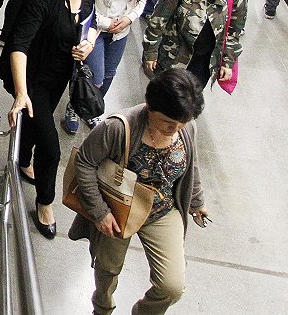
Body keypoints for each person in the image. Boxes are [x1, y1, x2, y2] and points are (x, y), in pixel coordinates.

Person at [68, 68, 210, 315]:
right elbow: (84, 162)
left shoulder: (186, 127)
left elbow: (192, 163)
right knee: (107, 268)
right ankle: (102, 308)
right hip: (117, 208)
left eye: (181, 123)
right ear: (149, 105)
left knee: (172, 286)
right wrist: (100, 212)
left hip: (163, 209)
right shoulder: (117, 127)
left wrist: (196, 201)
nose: (175, 129)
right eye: (168, 122)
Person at [0, 0, 98, 232]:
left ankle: (23, 158)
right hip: (33, 80)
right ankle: (45, 202)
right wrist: (21, 93)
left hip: (59, 77)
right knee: (51, 148)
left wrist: (89, 43)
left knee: (34, 126)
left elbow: (91, 24)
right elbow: (20, 45)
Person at [143, 0, 247, 88]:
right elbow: (157, 22)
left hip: (202, 64)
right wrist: (151, 53)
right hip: (172, 60)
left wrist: (227, 63)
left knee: (188, 104)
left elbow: (232, 33)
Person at [84, 0, 154, 106]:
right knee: (95, 76)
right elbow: (86, 2)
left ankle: (95, 106)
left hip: (121, 32)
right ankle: (78, 105)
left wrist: (129, 19)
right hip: (96, 29)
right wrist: (106, 23)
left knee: (109, 73)